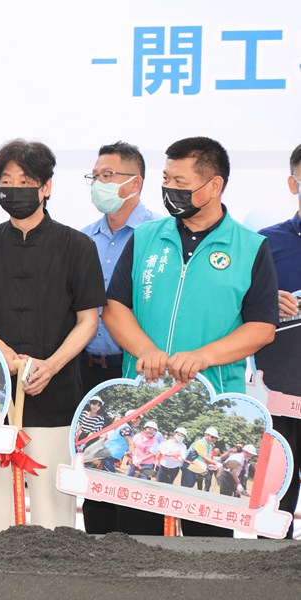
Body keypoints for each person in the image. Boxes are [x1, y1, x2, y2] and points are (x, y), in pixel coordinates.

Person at [104, 136, 279, 536]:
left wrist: (203, 356)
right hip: (142, 398)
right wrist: (145, 349)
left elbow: (261, 327)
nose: (170, 190)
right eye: (166, 179)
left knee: (208, 539)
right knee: (135, 535)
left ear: (214, 186)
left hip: (214, 404)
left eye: (181, 182)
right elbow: (115, 308)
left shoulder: (251, 248)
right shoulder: (146, 237)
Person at [0, 139, 106, 532]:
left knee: (53, 510)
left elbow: (88, 319)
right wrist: (2, 353)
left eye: (25, 180)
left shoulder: (78, 246)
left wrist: (50, 366)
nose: (15, 189)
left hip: (56, 392)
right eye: (7, 181)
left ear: (46, 187)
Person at [80, 141, 158, 534]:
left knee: (139, 470)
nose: (99, 183)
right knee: (95, 467)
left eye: (107, 176)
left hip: (139, 371)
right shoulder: (81, 238)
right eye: (95, 176)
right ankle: (97, 553)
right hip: (87, 371)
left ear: (135, 182)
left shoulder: (161, 237)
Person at [254, 143, 301, 538]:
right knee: (276, 498)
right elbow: (238, 309)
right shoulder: (264, 245)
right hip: (281, 394)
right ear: (293, 182)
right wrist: (267, 303)